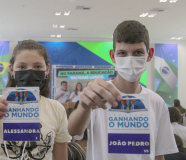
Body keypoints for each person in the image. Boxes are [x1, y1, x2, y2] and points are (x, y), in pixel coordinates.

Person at [68, 20, 178, 160]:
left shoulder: (156, 102)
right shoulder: (98, 95)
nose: (130, 59)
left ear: (149, 54)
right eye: (122, 53)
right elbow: (73, 131)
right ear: (113, 56)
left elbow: (158, 155)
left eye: (138, 52)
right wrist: (83, 106)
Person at [0, 40, 71, 160]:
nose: (30, 71)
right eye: (22, 66)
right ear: (11, 70)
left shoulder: (56, 109)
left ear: (47, 69)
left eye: (37, 66)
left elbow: (60, 155)